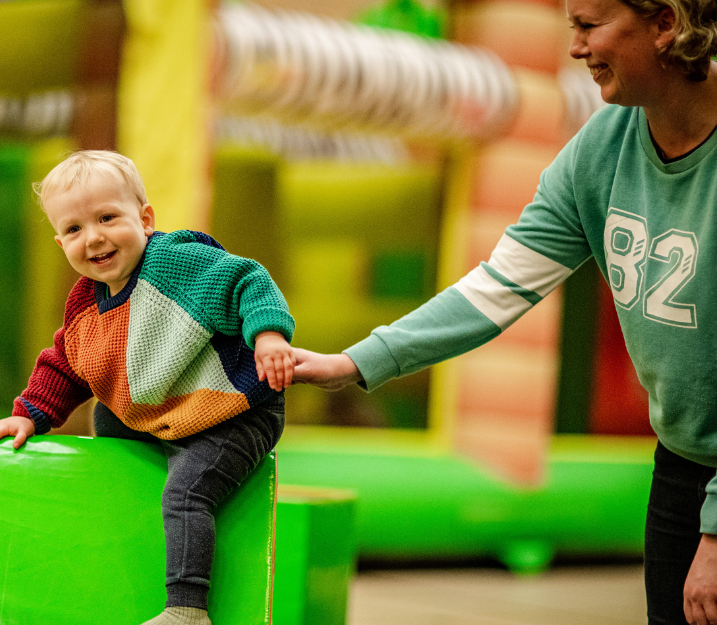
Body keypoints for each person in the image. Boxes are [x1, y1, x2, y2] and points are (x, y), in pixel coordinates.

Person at [294, 0, 717, 623]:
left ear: (665, 25)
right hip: (681, 466)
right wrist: (355, 362)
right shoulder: (601, 150)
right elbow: (499, 286)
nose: (574, 48)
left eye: (589, 26)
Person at [0, 150, 295, 625]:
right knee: (107, 418)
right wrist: (28, 414)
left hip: (234, 409)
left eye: (107, 217)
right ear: (60, 243)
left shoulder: (175, 265)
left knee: (187, 493)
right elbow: (64, 364)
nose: (95, 237)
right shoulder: (85, 304)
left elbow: (245, 279)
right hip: (162, 413)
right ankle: (130, 541)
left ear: (144, 219)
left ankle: (187, 609)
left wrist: (267, 336)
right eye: (76, 229)